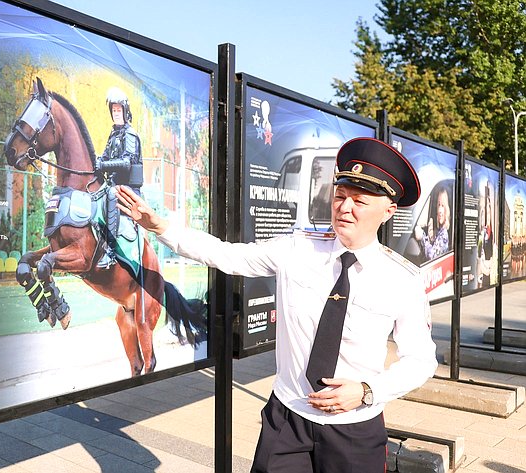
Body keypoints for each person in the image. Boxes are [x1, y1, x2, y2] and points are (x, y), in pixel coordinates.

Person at [117, 137, 437, 473]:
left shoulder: (403, 280)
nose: (344, 208)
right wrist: (159, 226)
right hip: (287, 421)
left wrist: (368, 390)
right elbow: (227, 254)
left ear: (388, 210)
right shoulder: (297, 249)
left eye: (359, 201)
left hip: (355, 430)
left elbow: (421, 360)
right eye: (340, 196)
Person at [95, 87, 143, 268]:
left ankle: (111, 251)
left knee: (112, 194)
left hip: (129, 189)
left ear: (125, 111)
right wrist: (96, 161)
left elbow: (126, 163)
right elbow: (105, 157)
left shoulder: (130, 134)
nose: (116, 113)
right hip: (116, 184)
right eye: (113, 110)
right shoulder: (113, 135)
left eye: (118, 110)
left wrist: (103, 165)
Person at [414, 187, 451, 261]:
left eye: (443, 206)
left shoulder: (444, 234)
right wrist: (430, 239)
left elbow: (433, 257)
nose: (440, 210)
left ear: (447, 209)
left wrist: (422, 237)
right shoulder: (438, 231)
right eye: (439, 205)